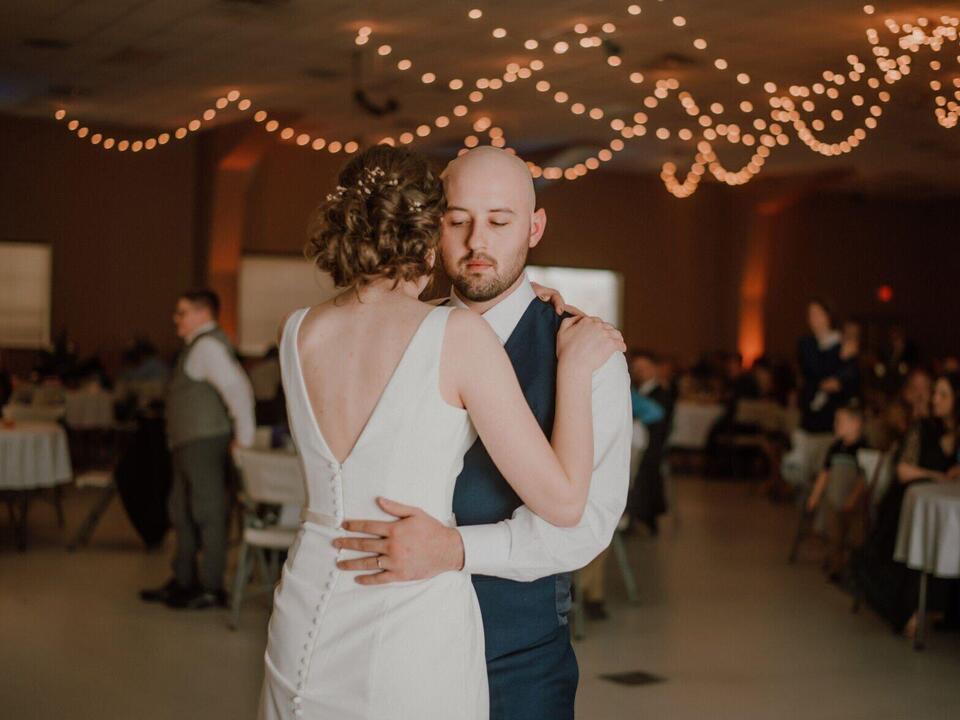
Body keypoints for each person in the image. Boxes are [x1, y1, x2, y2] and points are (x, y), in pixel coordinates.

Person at [258, 145, 626, 720]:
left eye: (499, 222)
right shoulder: (439, 328)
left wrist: (455, 549)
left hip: (512, 652)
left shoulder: (585, 346)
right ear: (430, 228)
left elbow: (585, 526)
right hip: (413, 630)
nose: (478, 242)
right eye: (458, 221)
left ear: (534, 228)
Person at [140, 289, 255, 610]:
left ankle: (210, 586)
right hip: (189, 443)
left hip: (204, 442)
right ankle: (184, 580)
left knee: (208, 512)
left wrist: (243, 441)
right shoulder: (199, 346)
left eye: (182, 312)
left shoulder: (208, 347)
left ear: (203, 314)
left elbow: (238, 390)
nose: (176, 319)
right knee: (182, 510)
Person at [852, 373, 960, 636]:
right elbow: (903, 471)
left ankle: (945, 609)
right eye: (935, 393)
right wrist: (937, 476)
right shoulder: (921, 428)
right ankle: (909, 608)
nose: (935, 399)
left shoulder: (956, 435)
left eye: (943, 395)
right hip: (906, 501)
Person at [805, 402, 867, 580]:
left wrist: (854, 497)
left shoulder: (863, 448)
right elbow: (825, 473)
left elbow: (864, 479)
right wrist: (815, 496)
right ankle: (836, 565)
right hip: (834, 499)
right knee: (834, 534)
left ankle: (852, 566)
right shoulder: (834, 448)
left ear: (856, 424)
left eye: (839, 421)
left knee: (855, 536)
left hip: (853, 500)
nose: (835, 425)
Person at [627, 348, 673, 534]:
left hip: (653, 445)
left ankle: (636, 515)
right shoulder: (636, 390)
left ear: (654, 369)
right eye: (636, 368)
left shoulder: (661, 392)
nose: (639, 372)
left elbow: (660, 419)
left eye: (643, 368)